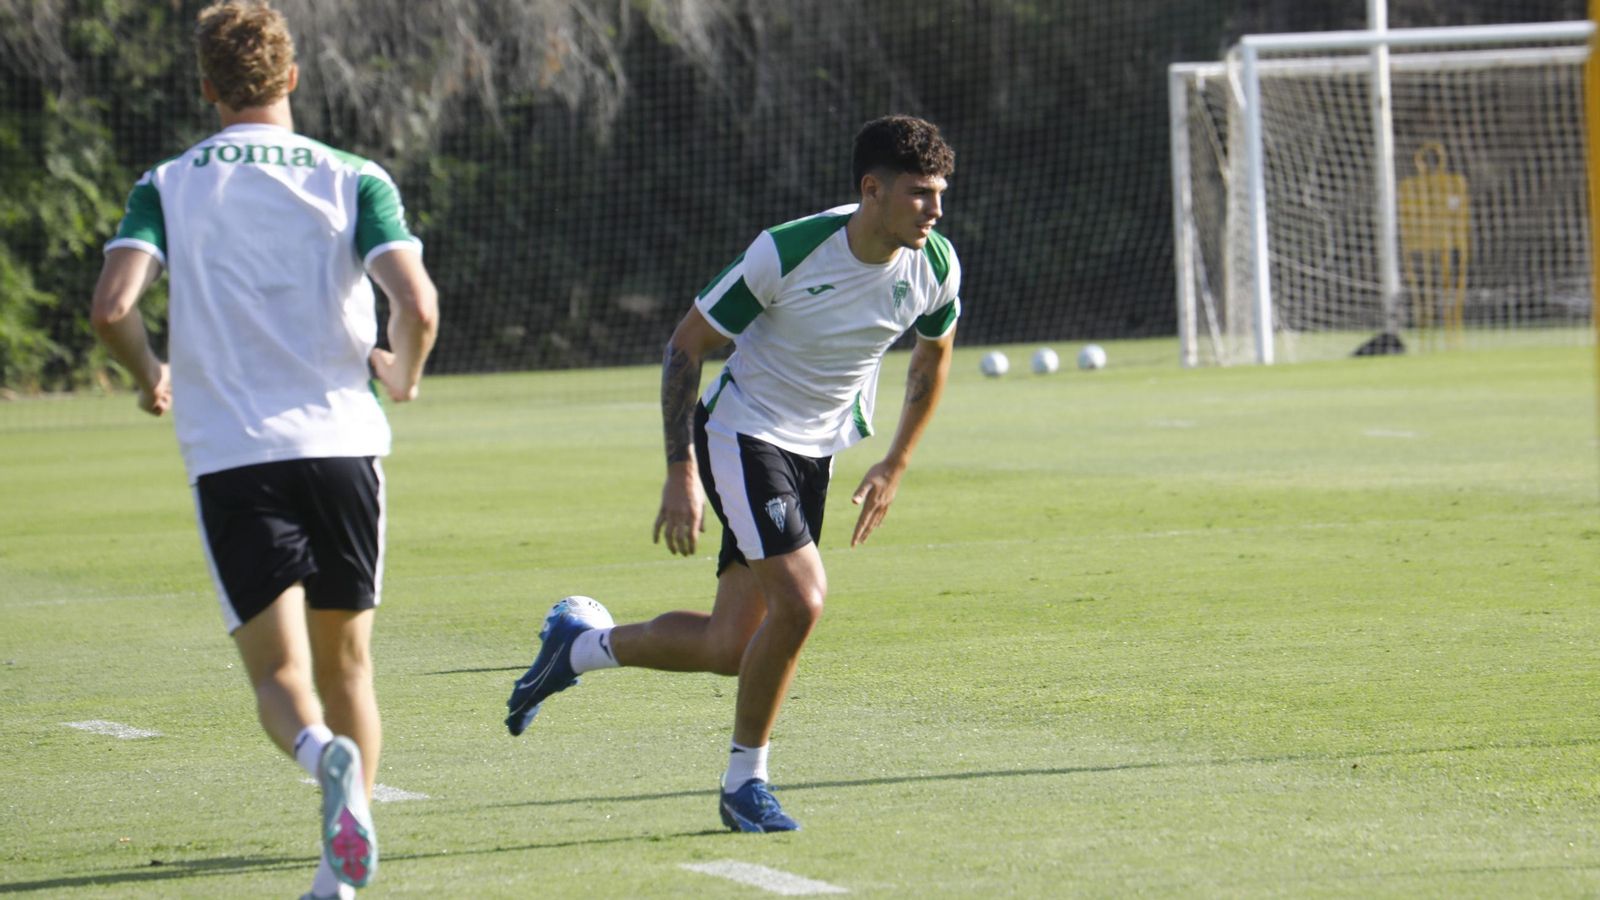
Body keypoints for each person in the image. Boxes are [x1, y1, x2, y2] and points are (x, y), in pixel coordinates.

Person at [506, 114, 959, 832]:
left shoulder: (934, 266)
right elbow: (686, 345)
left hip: (816, 449)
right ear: (871, 190)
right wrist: (679, 469)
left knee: (729, 647)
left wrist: (895, 461)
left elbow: (933, 358)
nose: (934, 210)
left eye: (940, 194)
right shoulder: (788, 252)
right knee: (802, 602)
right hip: (743, 433)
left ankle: (578, 647)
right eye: (919, 193)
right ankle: (745, 783)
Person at [88, 2, 438, 896]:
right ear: (291, 77)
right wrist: (402, 374)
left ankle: (319, 756)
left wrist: (148, 373)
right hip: (345, 448)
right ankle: (340, 870)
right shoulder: (354, 176)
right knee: (348, 665)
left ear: (207, 87)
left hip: (234, 455)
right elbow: (417, 304)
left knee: (281, 676)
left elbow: (112, 306)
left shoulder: (168, 183)